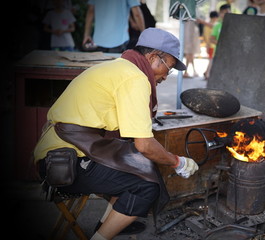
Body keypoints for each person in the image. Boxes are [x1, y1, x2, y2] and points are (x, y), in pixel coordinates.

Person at [33, 28, 199, 240]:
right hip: (61, 162)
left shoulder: (121, 67)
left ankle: (107, 224)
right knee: (146, 186)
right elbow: (145, 145)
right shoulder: (135, 78)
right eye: (169, 67)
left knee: (134, 162)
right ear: (153, 57)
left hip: (61, 152)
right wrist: (178, 162)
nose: (167, 76)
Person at [201, 11, 219, 79]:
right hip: (212, 46)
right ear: (214, 18)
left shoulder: (206, 26)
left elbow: (205, 36)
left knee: (211, 60)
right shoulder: (215, 25)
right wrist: (208, 46)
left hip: (209, 45)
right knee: (211, 60)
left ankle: (207, 72)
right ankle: (207, 73)